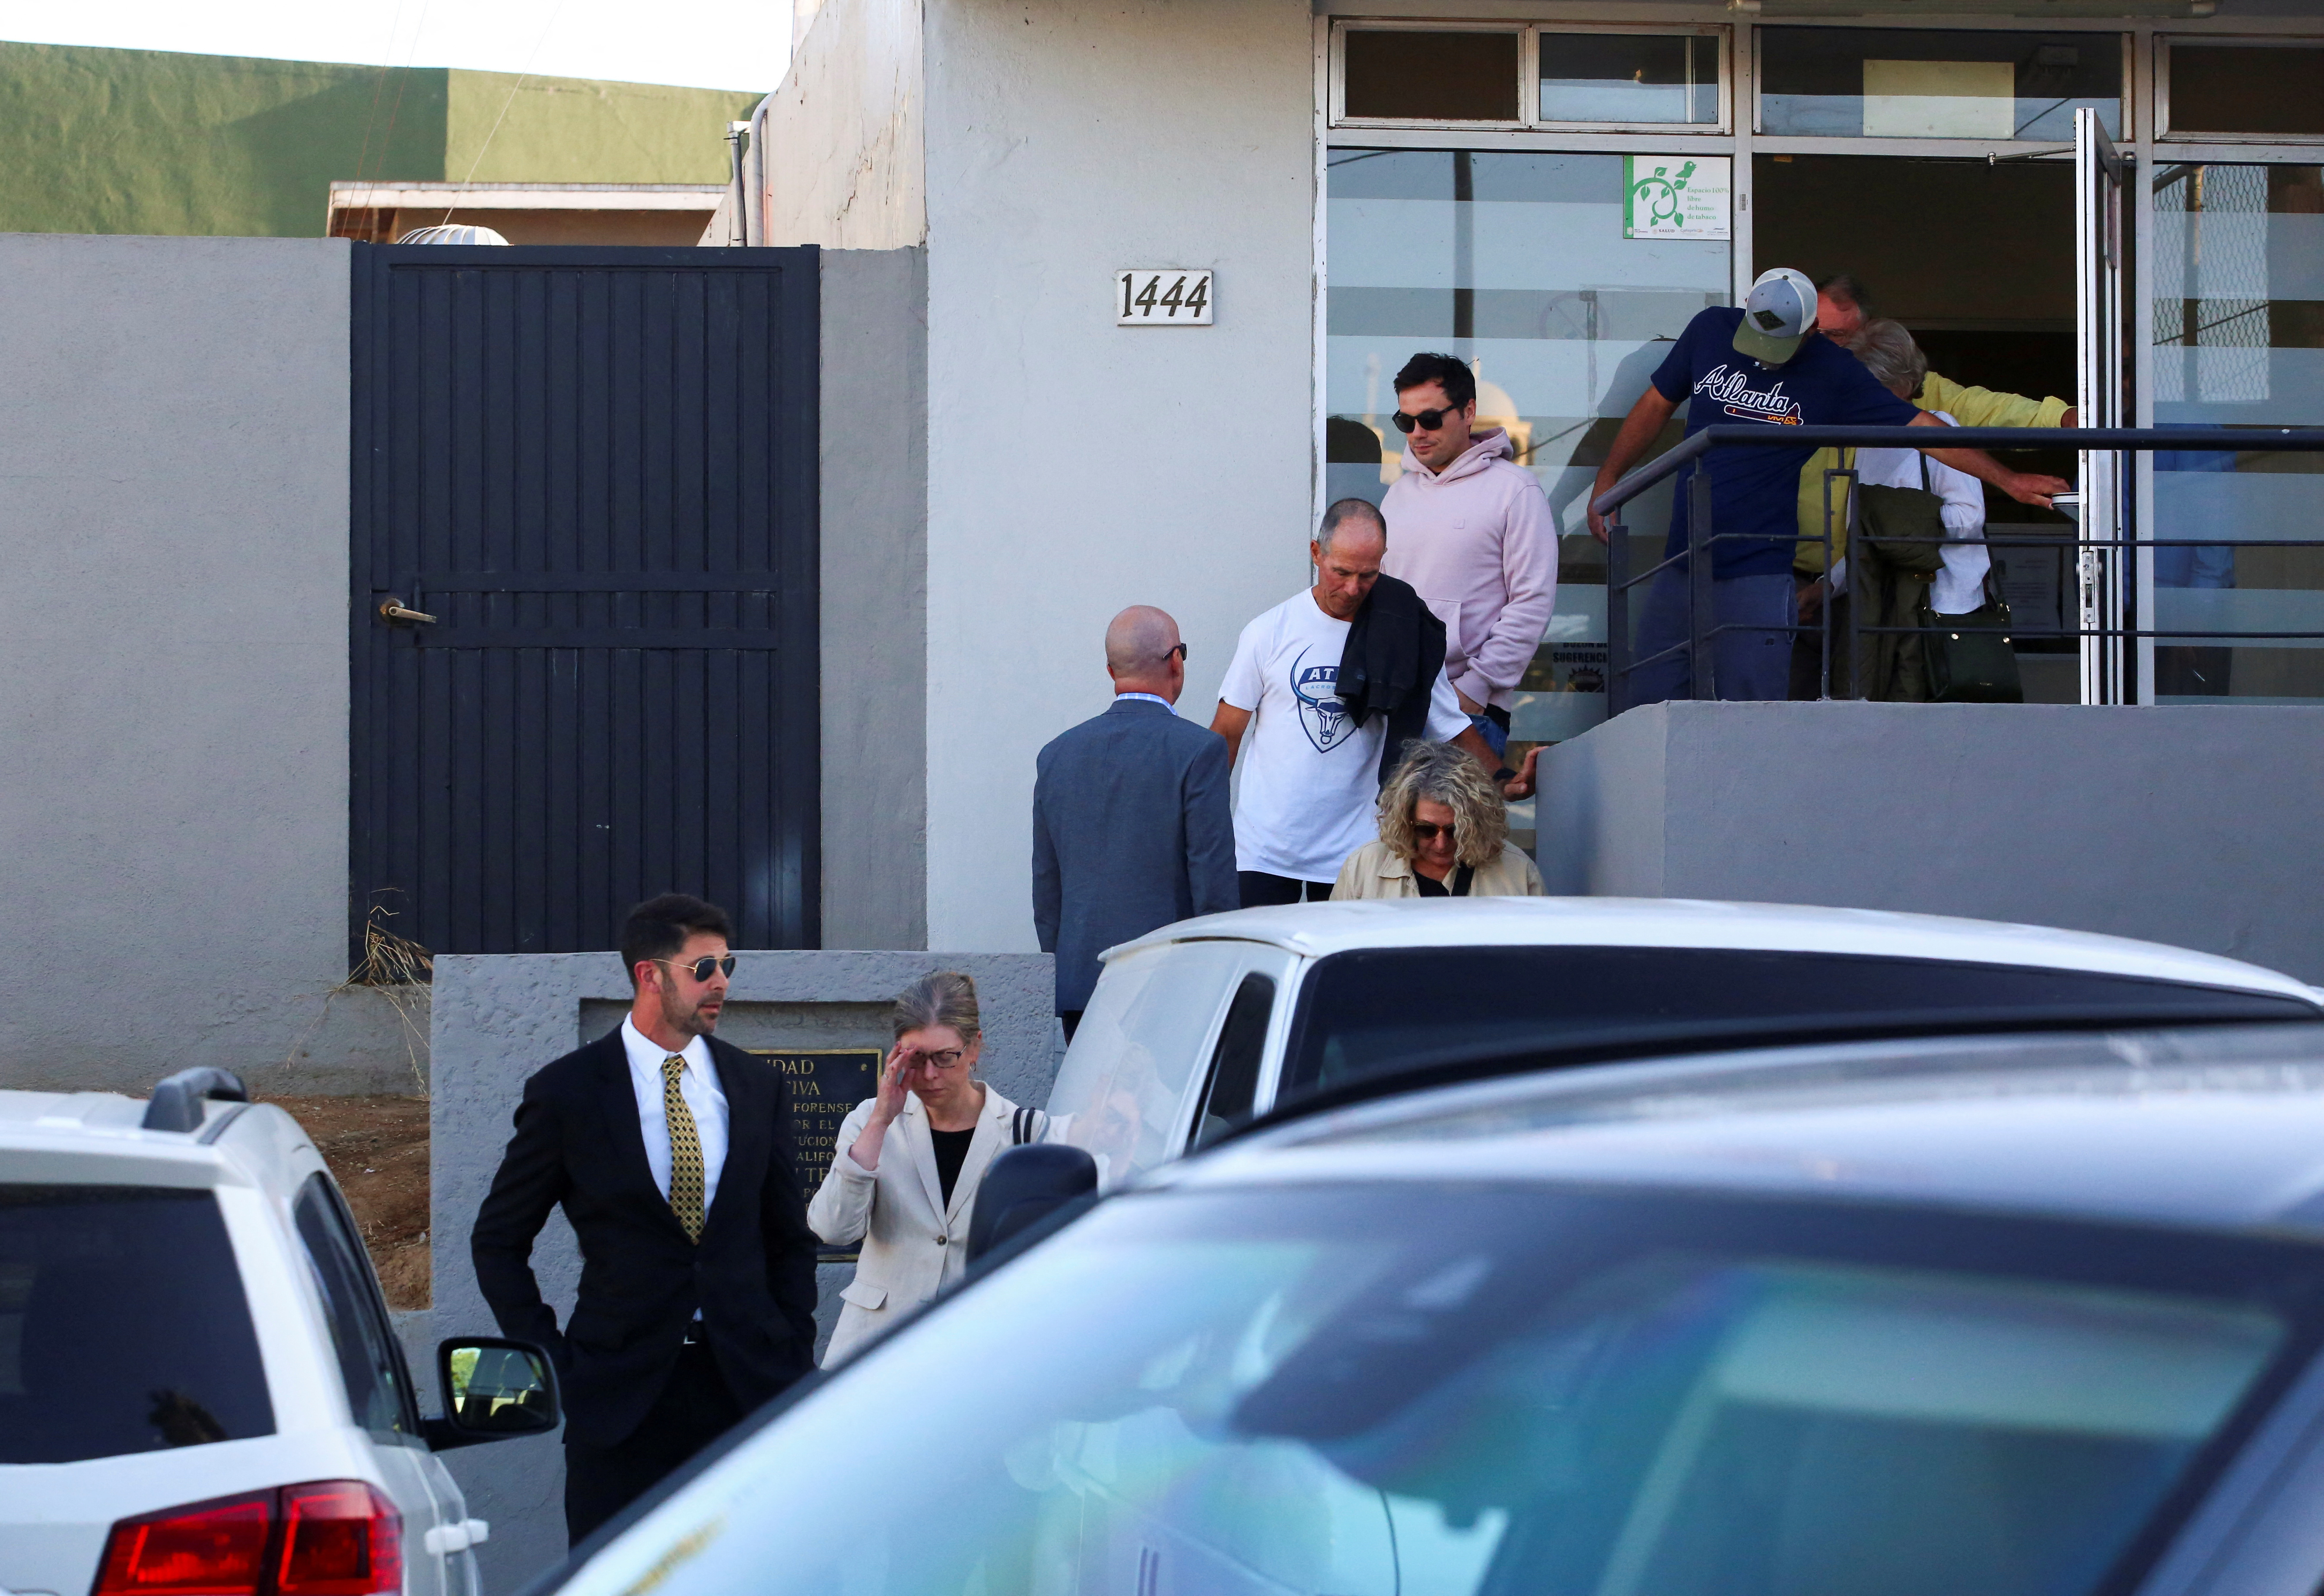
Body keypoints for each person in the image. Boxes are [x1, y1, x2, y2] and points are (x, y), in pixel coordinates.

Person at [471, 893, 819, 1545]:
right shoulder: (569, 1091)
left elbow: (787, 1237)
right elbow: (497, 1240)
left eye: (727, 964)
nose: (720, 981)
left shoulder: (754, 1085)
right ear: (649, 974)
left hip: (747, 1387)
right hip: (619, 1398)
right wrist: (556, 1364)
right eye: (703, 966)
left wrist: (791, 1348)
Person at [1587, 267, 2067, 704]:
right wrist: (1607, 483)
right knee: (1648, 702)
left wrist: (2009, 479)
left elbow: (1923, 425)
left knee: (1751, 710)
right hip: (1682, 560)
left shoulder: (1834, 371)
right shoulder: (1711, 329)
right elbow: (1656, 403)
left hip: (1760, 570)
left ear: (1813, 330)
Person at [1210, 500, 1536, 907]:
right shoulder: (1267, 632)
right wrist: (1201, 825)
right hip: (1264, 851)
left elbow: (1450, 726)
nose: (1352, 588)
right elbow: (1225, 734)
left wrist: (1504, 779)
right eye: (1341, 572)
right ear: (1316, 553)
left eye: (1367, 575)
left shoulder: (1405, 633)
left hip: (1358, 851)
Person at [1792, 274, 2077, 682]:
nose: (1825, 349)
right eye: (1813, 335)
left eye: (1836, 336)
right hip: (1804, 578)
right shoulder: (1791, 387)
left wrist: (2062, 419)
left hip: (1896, 594)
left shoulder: (1916, 401)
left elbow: (1984, 410)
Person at [809, 972, 1040, 1364]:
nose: (930, 1074)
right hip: (877, 1347)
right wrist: (881, 1121)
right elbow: (833, 1229)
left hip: (976, 1351)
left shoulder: (1026, 1132)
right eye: (917, 1058)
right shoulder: (869, 1121)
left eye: (945, 1057)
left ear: (974, 1048)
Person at [1032, 606, 1237, 1042]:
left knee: (1091, 1108)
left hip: (1080, 985)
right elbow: (1213, 885)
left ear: (1111, 670)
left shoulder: (1056, 755)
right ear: (1176, 661)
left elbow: (1047, 889)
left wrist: (1061, 965)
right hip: (1171, 987)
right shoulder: (1199, 752)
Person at [1378, 352, 1559, 762]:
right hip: (1396, 708)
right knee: (1392, 828)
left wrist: (1475, 690)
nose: (1416, 433)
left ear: (1468, 412)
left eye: (1430, 419)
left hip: (1468, 712)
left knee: (1458, 828)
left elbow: (1532, 601)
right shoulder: (1397, 496)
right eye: (1405, 422)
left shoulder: (1516, 490)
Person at [1822, 320, 1996, 700]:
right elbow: (1864, 541)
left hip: (1941, 614)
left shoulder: (1941, 429)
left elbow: (1968, 517)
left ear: (1902, 383)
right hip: (1882, 612)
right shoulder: (1866, 443)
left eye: (1873, 387)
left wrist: (1901, 527)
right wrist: (1826, 587)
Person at [1332, 739, 1546, 900]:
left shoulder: (1518, 870)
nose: (1441, 844)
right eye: (1426, 830)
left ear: (1478, 825)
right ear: (1404, 820)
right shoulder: (1363, 867)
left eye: (1456, 830)